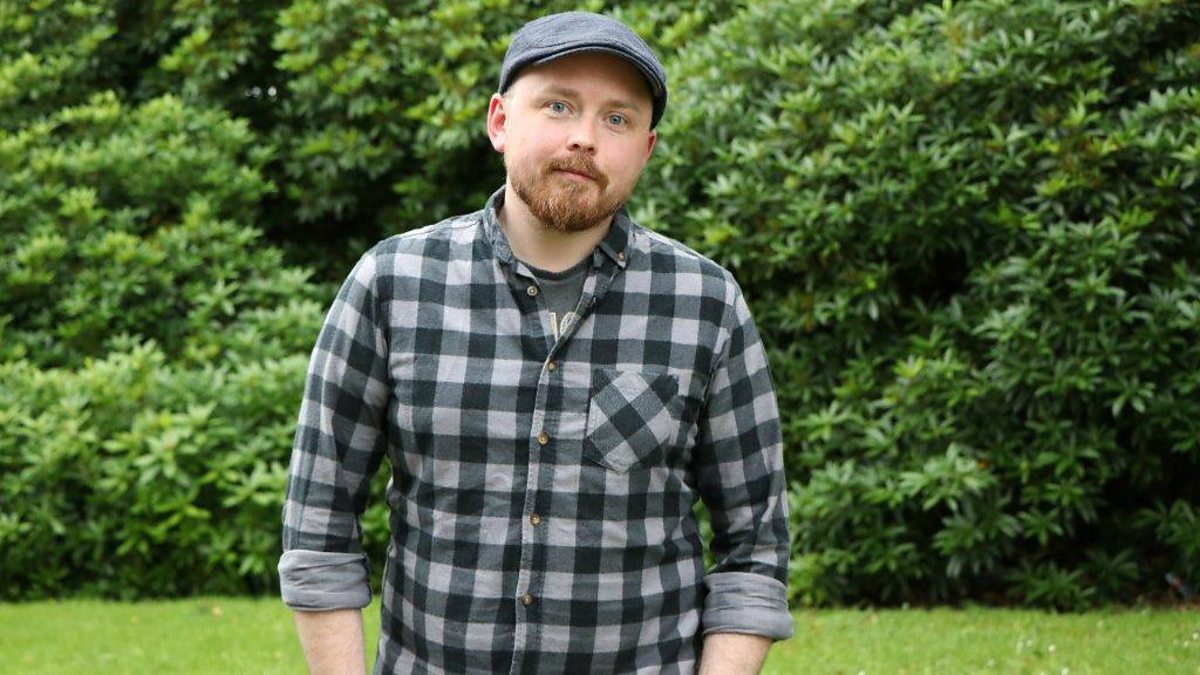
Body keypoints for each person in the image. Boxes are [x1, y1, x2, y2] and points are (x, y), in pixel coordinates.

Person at [279, 11, 792, 674]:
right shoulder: (391, 283)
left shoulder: (705, 303)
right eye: (558, 106)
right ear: (499, 121)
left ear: (645, 149)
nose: (584, 137)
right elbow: (319, 528)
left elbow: (755, 547)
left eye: (617, 118)